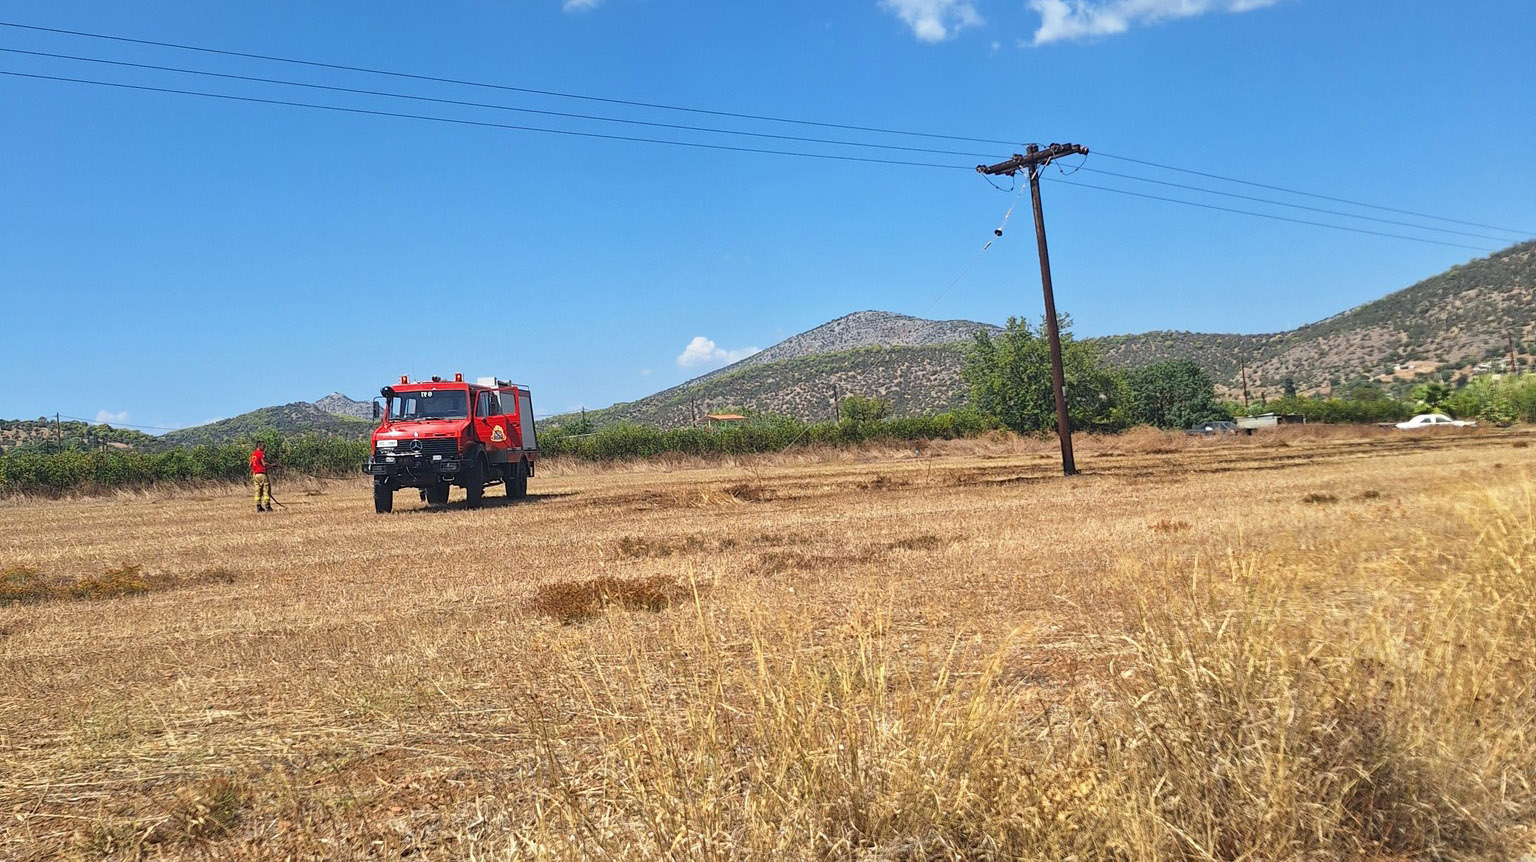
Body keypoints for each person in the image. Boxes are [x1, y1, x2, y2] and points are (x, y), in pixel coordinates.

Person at [251, 443, 272, 513]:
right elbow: (264, 464)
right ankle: (267, 506)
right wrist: (271, 465)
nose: (264, 448)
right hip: (262, 474)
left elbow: (250, 464)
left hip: (255, 475)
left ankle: (258, 506)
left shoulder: (253, 454)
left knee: (257, 491)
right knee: (266, 489)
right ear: (259, 446)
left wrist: (255, 468)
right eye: (263, 446)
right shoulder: (260, 453)